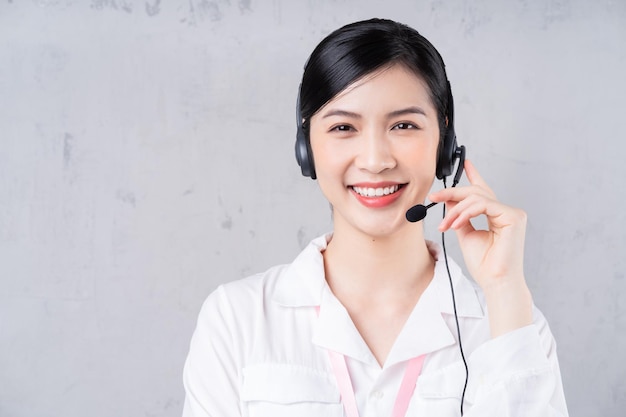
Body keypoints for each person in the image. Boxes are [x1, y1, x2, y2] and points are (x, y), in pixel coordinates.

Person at [182, 18, 568, 417]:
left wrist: (504, 288)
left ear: (445, 144)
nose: (375, 160)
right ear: (306, 148)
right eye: (344, 127)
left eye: (404, 125)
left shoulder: (514, 324)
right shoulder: (237, 318)